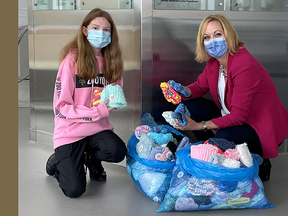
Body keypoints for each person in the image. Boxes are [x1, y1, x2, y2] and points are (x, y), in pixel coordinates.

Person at [170, 14, 288, 181]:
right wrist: (182, 90)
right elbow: (200, 86)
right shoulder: (215, 62)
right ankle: (213, 152)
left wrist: (198, 125)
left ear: (229, 35)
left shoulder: (244, 65)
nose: (212, 41)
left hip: (258, 126)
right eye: (207, 37)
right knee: (189, 106)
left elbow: (239, 116)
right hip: (232, 117)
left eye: (218, 34)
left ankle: (258, 160)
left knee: (224, 136)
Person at [45, 8, 127, 198]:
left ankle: (90, 157)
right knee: (74, 190)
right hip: (70, 131)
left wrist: (114, 101)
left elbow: (114, 94)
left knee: (117, 151)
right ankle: (58, 160)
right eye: (96, 27)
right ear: (85, 30)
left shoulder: (112, 61)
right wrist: (98, 111)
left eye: (107, 30)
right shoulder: (71, 59)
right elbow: (61, 108)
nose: (102, 33)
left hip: (97, 129)